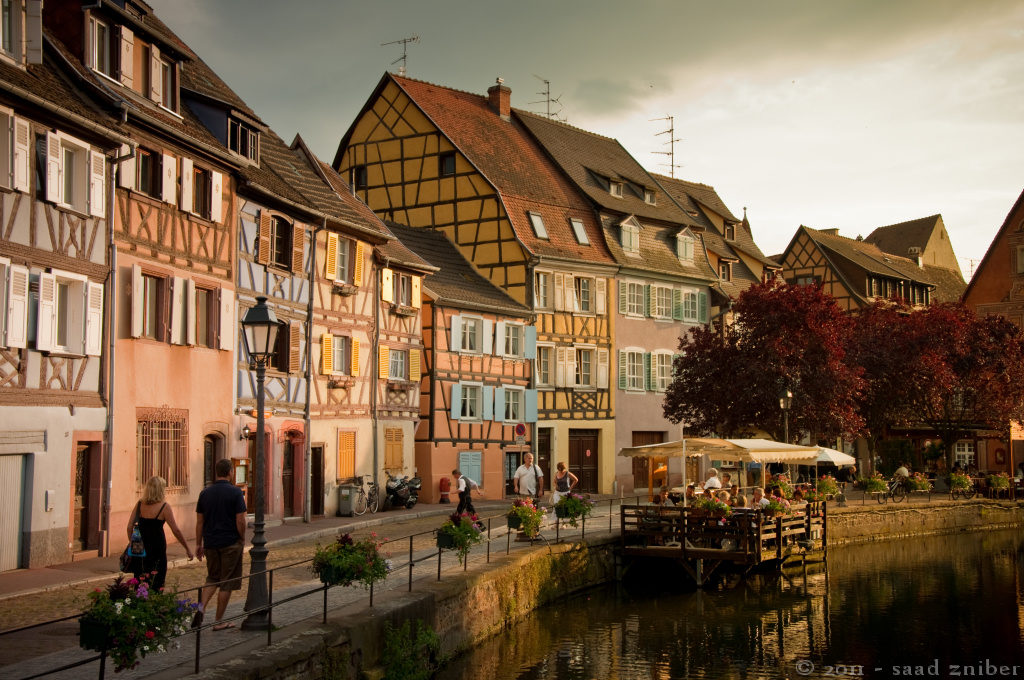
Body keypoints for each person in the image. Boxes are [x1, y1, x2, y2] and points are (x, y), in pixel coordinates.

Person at [195, 458, 247, 631]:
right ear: (230, 472)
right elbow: (240, 520)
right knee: (227, 582)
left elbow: (200, 522)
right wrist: (242, 537)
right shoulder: (235, 493)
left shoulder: (205, 493)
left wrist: (198, 544)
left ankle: (200, 609)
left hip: (210, 542)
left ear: (216, 472)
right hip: (230, 542)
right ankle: (218, 621)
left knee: (212, 578)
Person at [126, 476, 192, 590]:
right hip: (157, 548)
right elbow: (175, 530)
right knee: (157, 580)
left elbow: (129, 527)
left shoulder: (140, 504)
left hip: (140, 548)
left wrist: (131, 542)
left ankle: (140, 599)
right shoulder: (164, 507)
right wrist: (187, 548)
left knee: (140, 579)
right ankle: (155, 599)